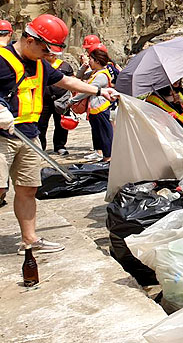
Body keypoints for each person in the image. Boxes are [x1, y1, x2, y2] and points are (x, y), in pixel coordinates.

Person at [0, 14, 118, 254]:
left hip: (28, 135)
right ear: (30, 39)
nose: (48, 54)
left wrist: (98, 90)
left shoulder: (40, 64)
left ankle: (30, 240)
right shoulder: (2, 60)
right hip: (2, 135)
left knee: (28, 188)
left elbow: (66, 80)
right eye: (45, 49)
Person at [70, 44, 114, 162]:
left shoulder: (102, 76)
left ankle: (108, 157)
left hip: (101, 108)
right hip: (93, 108)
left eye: (91, 59)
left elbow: (88, 91)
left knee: (104, 133)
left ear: (97, 61)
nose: (89, 60)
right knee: (97, 133)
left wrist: (73, 100)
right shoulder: (94, 72)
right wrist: (84, 66)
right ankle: (103, 154)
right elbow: (79, 77)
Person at [38, 51, 74, 155]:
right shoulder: (39, 64)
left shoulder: (65, 66)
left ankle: (60, 146)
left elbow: (71, 81)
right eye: (48, 52)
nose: (51, 54)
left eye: (53, 52)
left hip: (61, 99)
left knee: (61, 124)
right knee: (41, 124)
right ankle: (41, 147)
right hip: (43, 100)